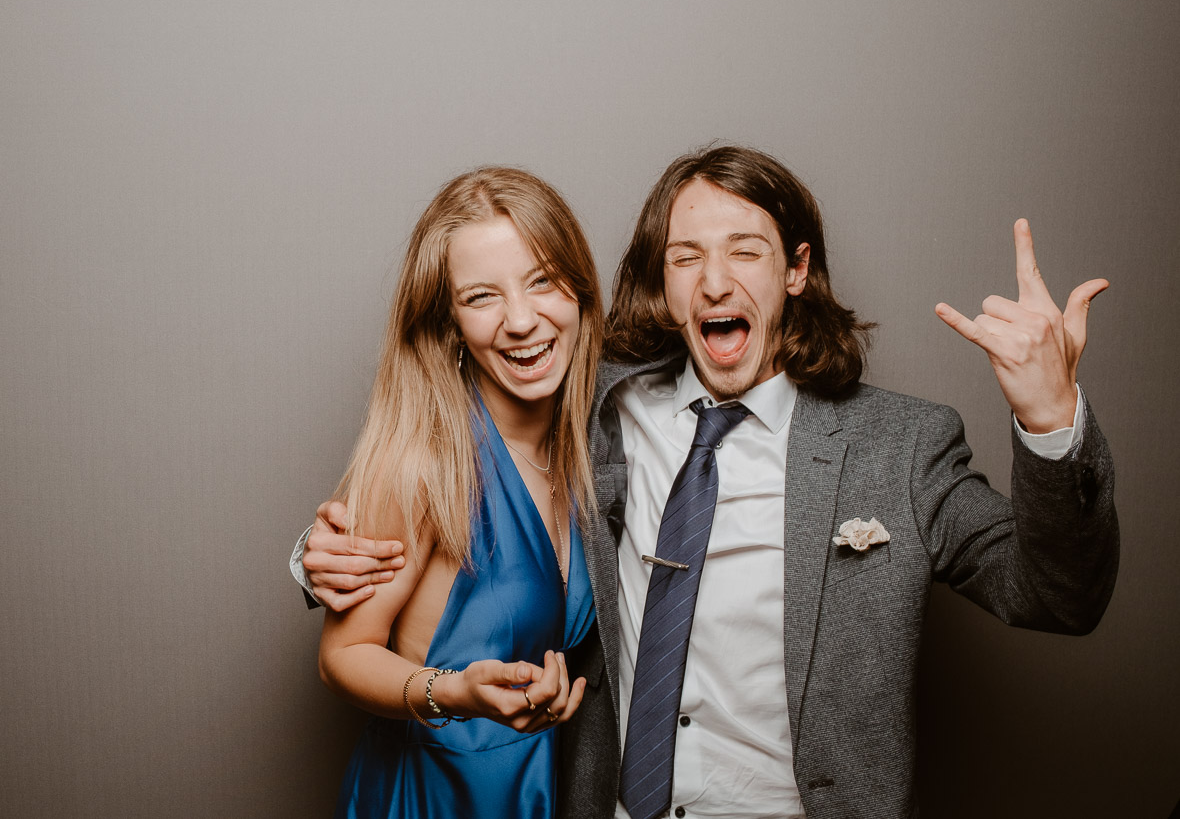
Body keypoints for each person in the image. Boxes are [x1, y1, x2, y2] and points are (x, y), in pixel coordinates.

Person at [295, 145, 1119, 819]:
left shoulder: (897, 446)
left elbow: (1059, 595)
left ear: (795, 270)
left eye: (745, 252)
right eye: (686, 258)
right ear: (663, 282)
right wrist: (312, 557)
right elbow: (456, 459)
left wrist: (1051, 422)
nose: (715, 282)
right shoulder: (600, 405)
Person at [317, 166, 605, 818]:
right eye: (482, 297)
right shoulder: (422, 461)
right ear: (449, 321)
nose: (522, 320)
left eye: (542, 280)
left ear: (581, 289)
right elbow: (343, 655)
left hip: (533, 796)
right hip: (429, 798)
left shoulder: (589, 444)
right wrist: (452, 692)